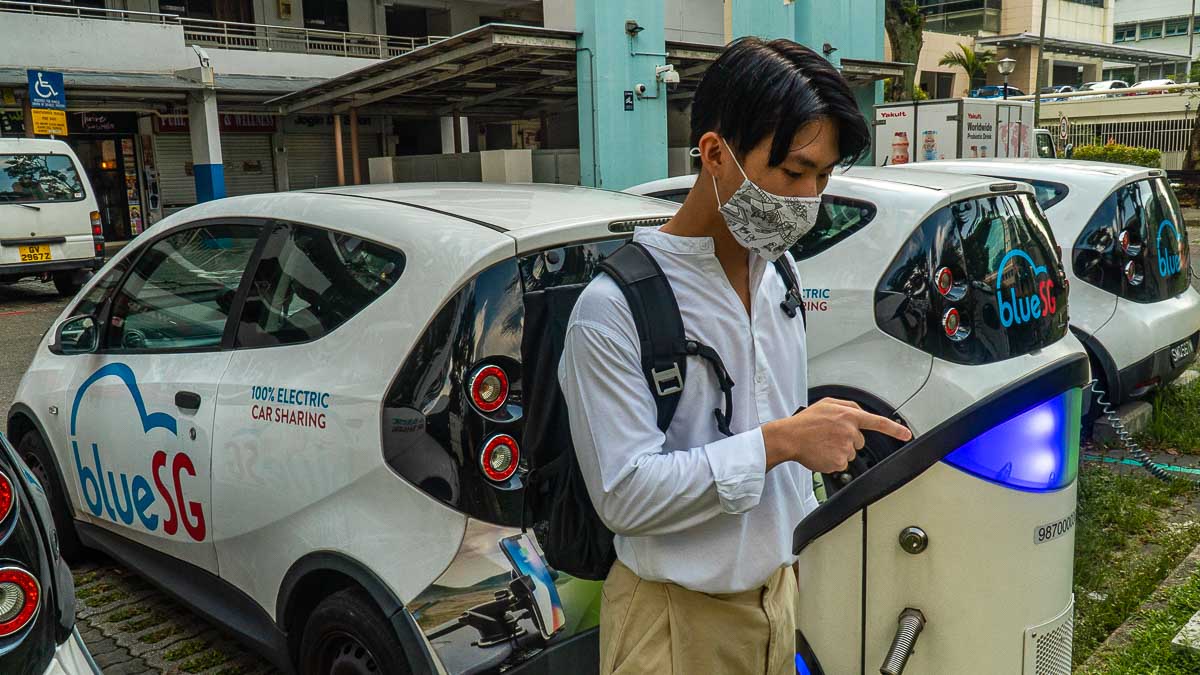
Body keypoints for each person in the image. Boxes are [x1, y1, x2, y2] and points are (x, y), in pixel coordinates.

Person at [558, 37, 913, 674]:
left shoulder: (780, 278)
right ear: (716, 154)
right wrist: (781, 441)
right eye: (793, 172)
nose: (808, 198)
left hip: (776, 605)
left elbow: (781, 459)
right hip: (670, 623)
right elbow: (624, 495)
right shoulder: (613, 309)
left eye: (824, 177)